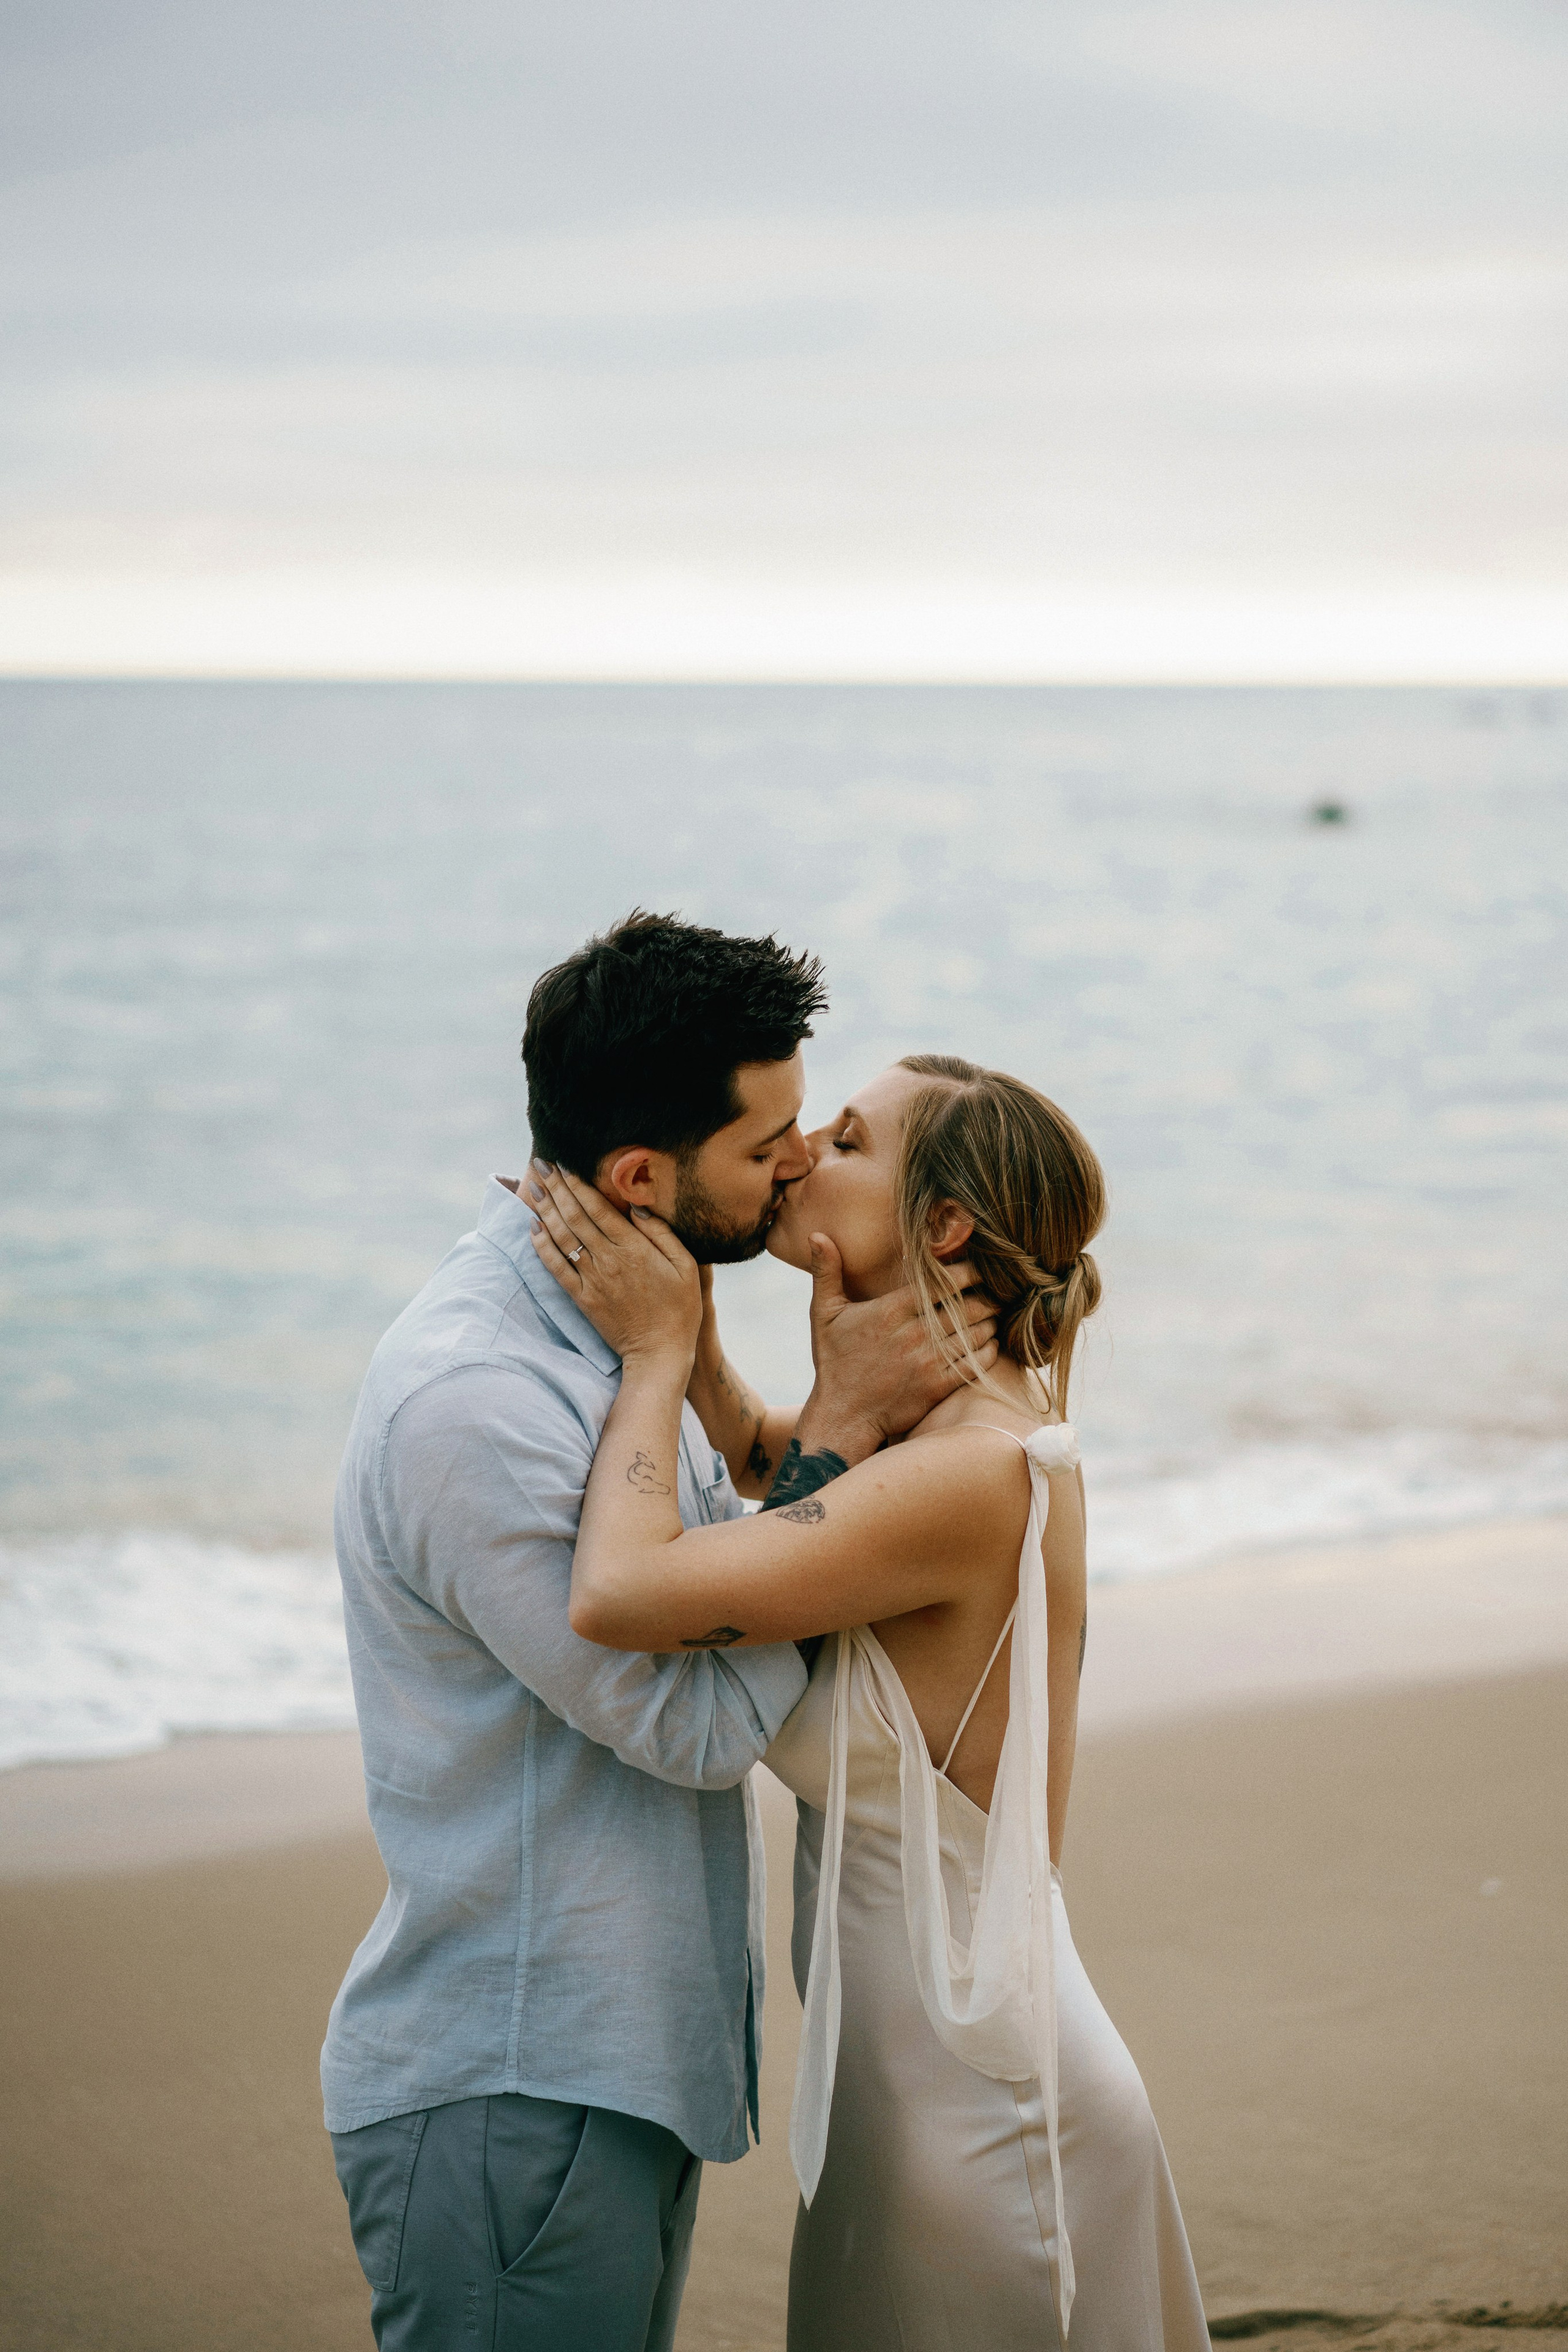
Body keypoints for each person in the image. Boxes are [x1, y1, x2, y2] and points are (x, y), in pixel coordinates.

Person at [322, 914, 1000, 2352]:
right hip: (517, 2081)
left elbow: (732, 1528)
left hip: (606, 2070)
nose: (798, 1163)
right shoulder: (480, 1402)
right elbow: (694, 1727)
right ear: (640, 1176)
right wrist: (833, 1429)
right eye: (764, 1146)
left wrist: (712, 1373)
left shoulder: (630, 1333)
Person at [528, 1053, 1212, 2352]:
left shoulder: (965, 1475)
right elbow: (774, 1458)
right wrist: (696, 1306)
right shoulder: (934, 1431)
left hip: (984, 2107)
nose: (798, 1156)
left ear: (941, 1226)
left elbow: (620, 1592)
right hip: (919, 2082)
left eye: (844, 1142)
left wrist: (656, 1355)